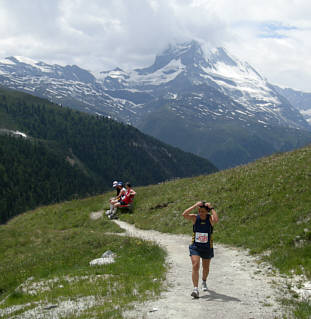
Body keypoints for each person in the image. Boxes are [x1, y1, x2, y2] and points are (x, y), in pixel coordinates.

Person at [182, 200, 219, 298]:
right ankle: (195, 289)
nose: (201, 213)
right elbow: (184, 214)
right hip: (196, 247)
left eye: (203, 211)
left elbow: (216, 220)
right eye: (200, 211)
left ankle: (204, 281)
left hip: (207, 247)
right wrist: (194, 205)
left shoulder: (210, 218)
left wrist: (211, 208)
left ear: (207, 211)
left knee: (205, 268)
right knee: (195, 265)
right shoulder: (195, 218)